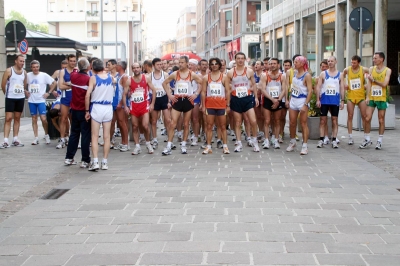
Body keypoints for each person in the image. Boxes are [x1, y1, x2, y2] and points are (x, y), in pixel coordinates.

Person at [161, 56, 203, 155]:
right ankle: (169, 145)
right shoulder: (175, 74)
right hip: (177, 99)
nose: (180, 64)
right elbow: (164, 83)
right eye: (179, 62)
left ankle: (183, 145)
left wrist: (196, 93)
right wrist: (169, 95)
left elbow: (202, 83)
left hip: (188, 100)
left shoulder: (191, 74)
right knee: (172, 123)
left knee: (186, 123)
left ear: (187, 63)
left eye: (182, 62)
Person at [85, 59, 115, 170]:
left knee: (94, 136)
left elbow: (87, 95)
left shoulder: (93, 78)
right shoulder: (111, 78)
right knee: (107, 137)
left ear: (93, 68)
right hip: (108, 107)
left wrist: (87, 111)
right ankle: (105, 162)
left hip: (97, 107)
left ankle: (95, 161)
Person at [227, 52, 260, 152]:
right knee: (237, 122)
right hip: (236, 98)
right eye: (238, 58)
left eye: (242, 58)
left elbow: (254, 84)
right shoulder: (230, 72)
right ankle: (239, 142)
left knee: (253, 121)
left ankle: (255, 141)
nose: (240, 60)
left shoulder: (249, 71)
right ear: (235, 60)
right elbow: (228, 88)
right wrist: (228, 102)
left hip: (247, 98)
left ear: (245, 60)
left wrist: (256, 98)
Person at [361, 51, 392, 150]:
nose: (373, 60)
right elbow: (369, 84)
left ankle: (379, 140)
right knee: (367, 118)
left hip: (382, 98)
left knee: (381, 119)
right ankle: (367, 138)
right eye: (373, 58)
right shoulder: (371, 69)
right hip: (372, 97)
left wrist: (373, 80)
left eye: (375, 58)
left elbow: (384, 84)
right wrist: (367, 96)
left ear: (381, 59)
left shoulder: (387, 70)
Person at [64, 58, 92, 167]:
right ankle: (85, 160)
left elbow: (73, 71)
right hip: (84, 110)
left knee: (74, 134)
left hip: (74, 109)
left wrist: (76, 68)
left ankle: (69, 157)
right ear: (88, 67)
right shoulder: (88, 79)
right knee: (85, 136)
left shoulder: (73, 76)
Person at [201, 57, 230, 154]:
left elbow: (227, 91)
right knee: (209, 126)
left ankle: (225, 146)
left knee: (222, 126)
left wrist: (228, 104)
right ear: (210, 66)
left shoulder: (224, 77)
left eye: (216, 64)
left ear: (219, 65)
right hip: (210, 105)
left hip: (221, 105)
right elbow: (203, 92)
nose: (214, 66)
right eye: (212, 64)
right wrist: (203, 105)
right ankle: (208, 146)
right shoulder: (206, 77)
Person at [126, 62, 156, 155]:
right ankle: (137, 146)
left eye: (138, 67)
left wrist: (152, 104)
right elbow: (124, 94)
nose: (136, 69)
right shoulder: (129, 80)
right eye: (134, 68)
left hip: (144, 105)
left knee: (145, 126)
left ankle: (148, 143)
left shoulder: (146, 78)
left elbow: (154, 90)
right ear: (132, 69)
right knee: (134, 126)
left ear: (141, 68)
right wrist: (126, 105)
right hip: (134, 106)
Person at [286, 55, 313, 155]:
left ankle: (305, 145)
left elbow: (310, 91)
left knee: (303, 123)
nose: (294, 63)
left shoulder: (307, 75)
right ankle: (292, 141)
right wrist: (289, 99)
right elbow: (291, 87)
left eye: (296, 62)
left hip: (302, 99)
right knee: (292, 122)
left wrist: (305, 104)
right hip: (294, 98)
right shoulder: (294, 73)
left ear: (302, 63)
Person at [315, 56, 345, 149]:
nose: (330, 62)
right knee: (323, 120)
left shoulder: (340, 74)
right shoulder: (323, 74)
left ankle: (334, 139)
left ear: (336, 62)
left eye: (332, 61)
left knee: (334, 120)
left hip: (335, 100)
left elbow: (342, 87)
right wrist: (317, 99)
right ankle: (321, 139)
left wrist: (343, 100)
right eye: (328, 61)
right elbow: (318, 87)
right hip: (324, 100)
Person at [26, 60, 57, 145]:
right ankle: (36, 137)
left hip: (41, 100)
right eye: (33, 67)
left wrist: (49, 92)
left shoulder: (44, 75)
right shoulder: (28, 75)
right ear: (31, 68)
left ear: (39, 67)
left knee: (43, 118)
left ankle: (46, 135)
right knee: (34, 118)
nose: (35, 69)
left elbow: (54, 83)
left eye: (37, 67)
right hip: (31, 100)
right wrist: (25, 90)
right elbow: (22, 83)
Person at [0, 54, 27, 148]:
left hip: (20, 97)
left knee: (17, 118)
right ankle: (5, 140)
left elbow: (24, 84)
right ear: (16, 61)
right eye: (21, 61)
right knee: (8, 118)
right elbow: (3, 84)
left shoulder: (24, 72)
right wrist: (7, 93)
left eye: (23, 61)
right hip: (10, 97)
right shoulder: (9, 70)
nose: (22, 63)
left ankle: (15, 139)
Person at [260, 58, 287, 149]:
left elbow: (284, 89)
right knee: (267, 120)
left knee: (277, 120)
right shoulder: (265, 75)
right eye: (271, 63)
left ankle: (276, 139)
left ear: (278, 65)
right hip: (268, 99)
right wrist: (272, 99)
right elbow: (263, 89)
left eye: (274, 63)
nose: (272, 65)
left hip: (278, 99)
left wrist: (278, 100)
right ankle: (266, 139)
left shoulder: (282, 76)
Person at [342, 55, 369, 145]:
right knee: (350, 115)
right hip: (350, 96)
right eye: (351, 62)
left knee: (364, 116)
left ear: (358, 63)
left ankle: (366, 136)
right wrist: (344, 84)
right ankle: (350, 137)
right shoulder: (347, 69)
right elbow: (342, 76)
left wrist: (367, 85)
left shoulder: (363, 69)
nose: (352, 64)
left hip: (361, 96)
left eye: (354, 63)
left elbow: (371, 76)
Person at [150, 58, 170, 149]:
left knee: (168, 120)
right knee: (154, 121)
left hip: (164, 97)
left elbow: (168, 87)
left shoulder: (165, 74)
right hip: (155, 99)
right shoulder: (149, 76)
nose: (160, 66)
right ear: (153, 65)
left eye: (161, 64)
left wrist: (169, 101)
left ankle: (170, 139)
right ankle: (155, 139)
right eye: (158, 64)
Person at [57, 54, 77, 149]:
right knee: (63, 118)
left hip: (75, 98)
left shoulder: (77, 70)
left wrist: (67, 84)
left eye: (74, 61)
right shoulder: (62, 72)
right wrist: (71, 86)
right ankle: (62, 138)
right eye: (71, 61)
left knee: (74, 119)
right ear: (68, 61)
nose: (73, 62)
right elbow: (60, 86)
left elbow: (79, 85)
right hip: (65, 98)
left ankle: (73, 138)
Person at [112, 61, 130, 152]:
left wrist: (121, 103)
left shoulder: (124, 77)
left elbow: (125, 92)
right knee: (120, 122)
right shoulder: (118, 76)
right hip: (117, 102)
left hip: (121, 103)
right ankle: (123, 142)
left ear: (121, 67)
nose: (115, 66)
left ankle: (126, 143)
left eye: (117, 65)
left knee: (123, 123)